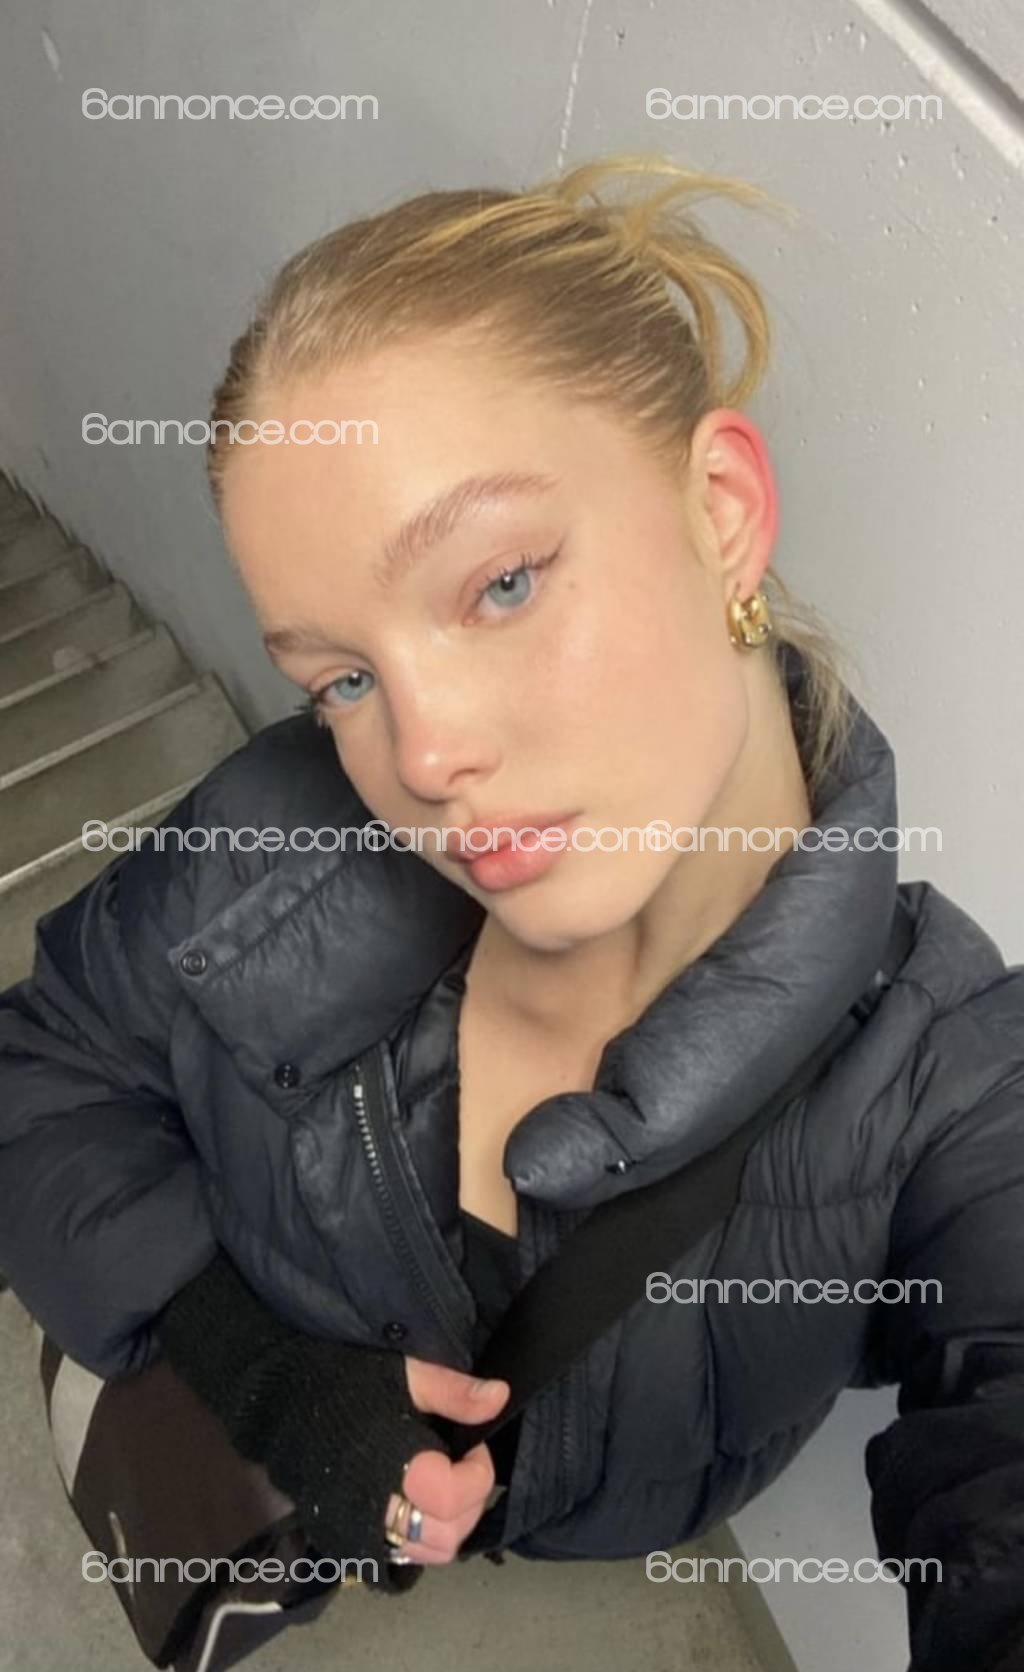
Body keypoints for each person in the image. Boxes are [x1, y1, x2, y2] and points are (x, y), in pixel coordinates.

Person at [2, 153, 1023, 1670]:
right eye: (343, 676)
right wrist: (250, 1363)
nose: (421, 759)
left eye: (499, 586)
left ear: (723, 512)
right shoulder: (272, 832)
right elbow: (39, 1074)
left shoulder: (955, 1079)